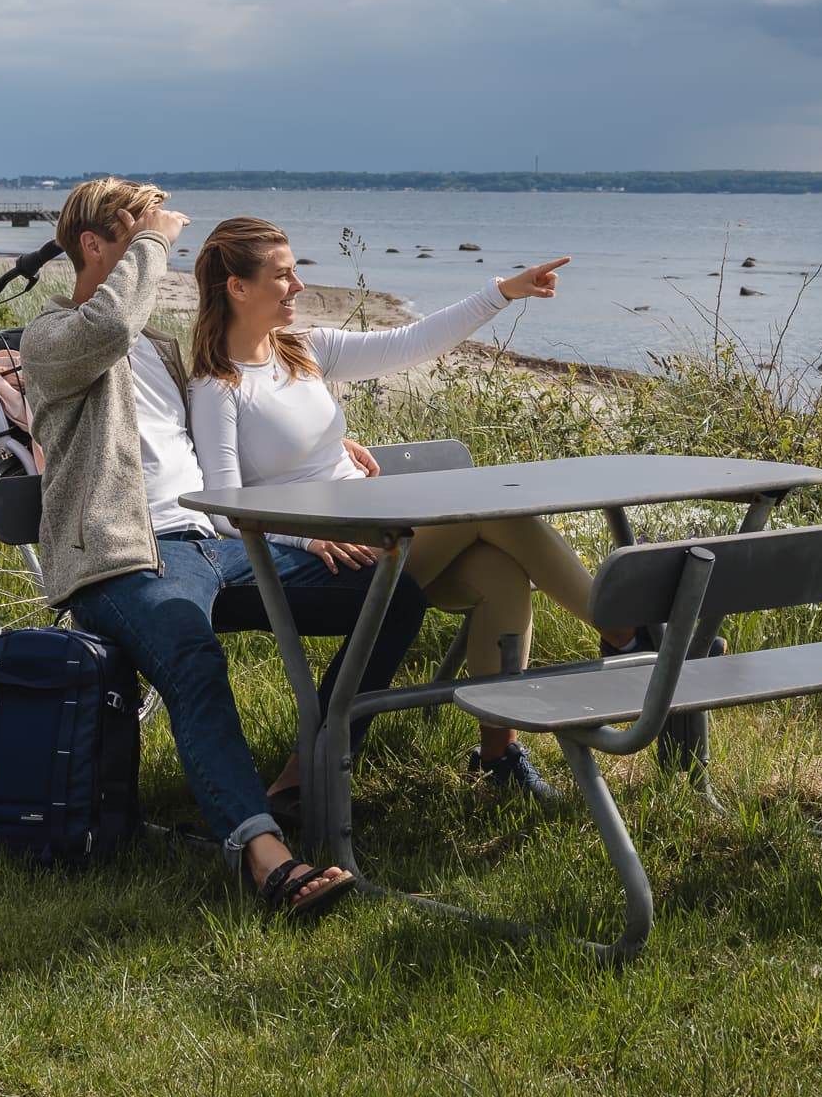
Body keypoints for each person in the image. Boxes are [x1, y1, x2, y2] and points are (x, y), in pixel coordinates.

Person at [19, 179, 428, 922]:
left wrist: (333, 447)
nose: (160, 249)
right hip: (128, 557)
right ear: (96, 245)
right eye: (140, 237)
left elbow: (221, 445)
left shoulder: (162, 351)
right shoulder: (53, 339)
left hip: (215, 541)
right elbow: (107, 326)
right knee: (192, 652)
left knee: (394, 595)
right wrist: (151, 241)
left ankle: (310, 774)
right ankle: (268, 859)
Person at [188, 215, 629, 802]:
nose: (297, 287)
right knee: (489, 508)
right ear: (237, 287)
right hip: (343, 550)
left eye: (295, 273)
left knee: (500, 575)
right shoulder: (218, 386)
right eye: (283, 275)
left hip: (388, 530)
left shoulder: (304, 351)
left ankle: (498, 758)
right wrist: (304, 539)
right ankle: (625, 630)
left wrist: (501, 293)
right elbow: (222, 505)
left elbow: (411, 342)